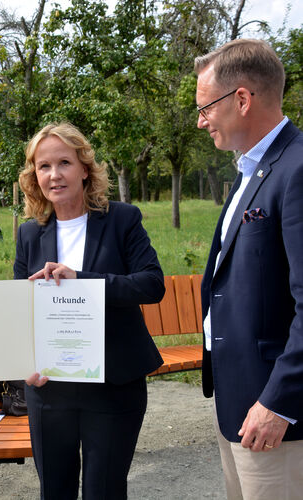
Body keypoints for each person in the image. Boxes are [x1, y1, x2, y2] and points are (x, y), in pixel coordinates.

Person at [14, 122, 164, 499]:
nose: (54, 174)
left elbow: (151, 284)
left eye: (64, 162)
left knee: (105, 491)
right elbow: (20, 309)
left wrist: (82, 279)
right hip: (50, 390)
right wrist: (21, 362)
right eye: (43, 166)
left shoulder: (122, 219)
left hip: (113, 383)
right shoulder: (29, 233)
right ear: (34, 176)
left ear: (84, 168)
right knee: (56, 491)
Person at [196, 39, 303, 499]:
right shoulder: (251, 170)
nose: (201, 122)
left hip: (273, 413)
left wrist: (278, 402)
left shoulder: (297, 170)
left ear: (241, 99)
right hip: (240, 400)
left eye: (205, 108)